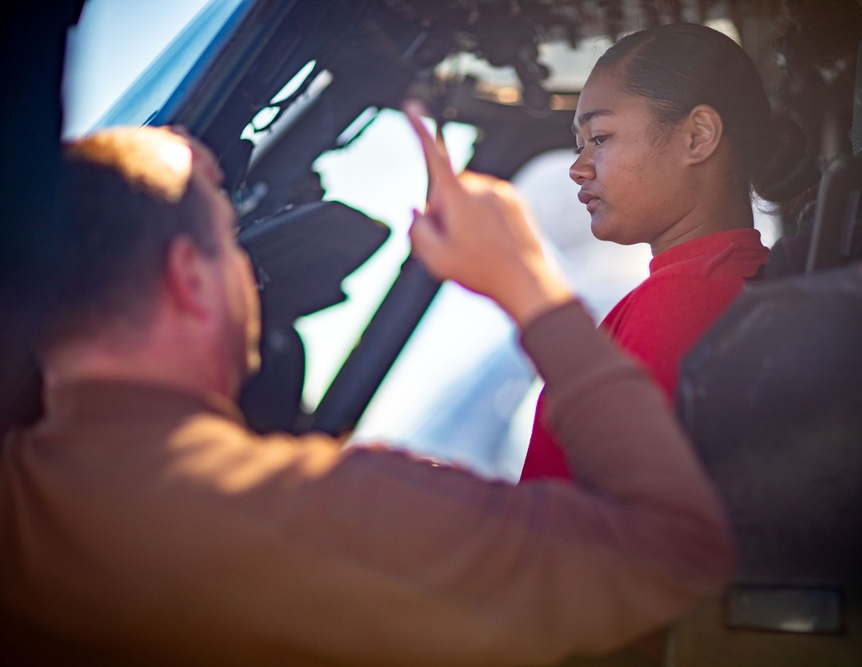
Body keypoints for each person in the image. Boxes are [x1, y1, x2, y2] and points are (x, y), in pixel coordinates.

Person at [0, 110, 735, 665]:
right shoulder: (338, 513)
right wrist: (527, 285)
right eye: (229, 239)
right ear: (191, 279)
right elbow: (674, 552)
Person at [520, 23, 817, 481]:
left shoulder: (681, 303)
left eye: (599, 138)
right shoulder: (725, 283)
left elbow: (620, 532)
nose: (578, 169)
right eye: (580, 146)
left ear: (698, 135)